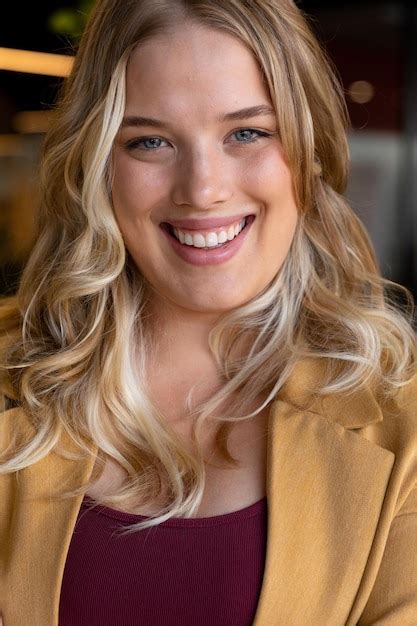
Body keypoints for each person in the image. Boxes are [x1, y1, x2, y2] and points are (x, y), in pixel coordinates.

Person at [1, 0, 416, 624]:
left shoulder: (401, 422)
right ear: (98, 164)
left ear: (309, 146)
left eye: (247, 132)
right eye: (150, 141)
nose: (202, 188)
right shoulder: (11, 379)